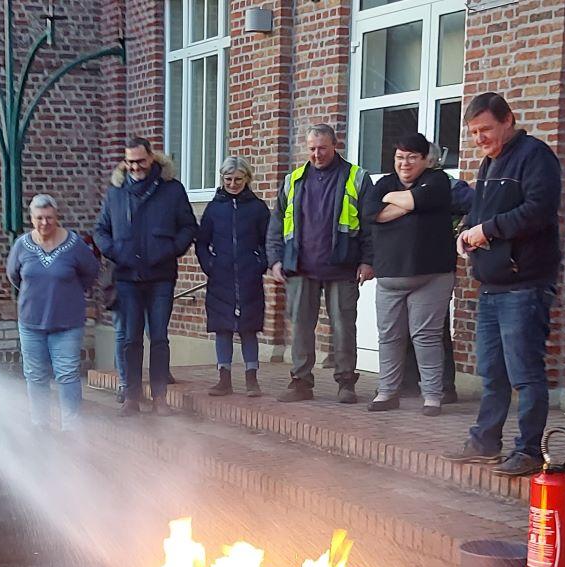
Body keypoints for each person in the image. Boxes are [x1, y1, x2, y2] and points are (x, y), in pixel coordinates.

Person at [444, 92, 563, 476]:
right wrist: (466, 232)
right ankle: (485, 442)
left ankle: (528, 450)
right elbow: (479, 212)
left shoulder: (535, 156)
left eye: (486, 130)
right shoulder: (489, 163)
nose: (480, 138)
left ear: (508, 119)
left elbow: (539, 212)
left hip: (525, 285)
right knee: (491, 371)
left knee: (526, 373)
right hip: (492, 285)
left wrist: (487, 230)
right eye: (474, 132)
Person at [268, 124, 373, 404]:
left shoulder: (356, 177)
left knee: (343, 326)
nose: (317, 154)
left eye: (322, 148)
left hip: (343, 266)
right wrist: (276, 259)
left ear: (334, 145)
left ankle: (346, 383)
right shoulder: (293, 180)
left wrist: (367, 260)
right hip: (300, 266)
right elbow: (276, 224)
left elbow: (371, 225)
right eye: (312, 148)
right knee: (301, 326)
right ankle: (300, 381)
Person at [94, 136, 196, 416]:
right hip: (127, 277)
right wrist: (115, 251)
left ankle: (160, 397)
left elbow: (188, 226)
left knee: (160, 338)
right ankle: (132, 397)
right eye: (130, 162)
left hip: (161, 275)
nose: (136, 167)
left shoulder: (171, 190)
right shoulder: (116, 191)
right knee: (130, 338)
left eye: (140, 161)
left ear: (152, 158)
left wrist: (172, 249)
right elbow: (101, 230)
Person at [362, 131, 457, 415]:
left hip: (433, 274)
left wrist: (394, 200)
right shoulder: (383, 183)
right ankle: (387, 392)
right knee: (389, 337)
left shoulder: (438, 181)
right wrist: (410, 201)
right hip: (390, 276)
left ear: (426, 160)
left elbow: (419, 200)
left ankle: (432, 396)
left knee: (426, 337)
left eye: (412, 158)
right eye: (400, 158)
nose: (404, 163)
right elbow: (370, 212)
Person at [7, 194, 100, 430]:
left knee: (67, 375)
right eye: (39, 218)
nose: (44, 223)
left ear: (56, 216)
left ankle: (71, 427)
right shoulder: (22, 245)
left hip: (67, 323)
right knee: (35, 376)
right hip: (31, 323)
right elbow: (14, 275)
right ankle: (40, 426)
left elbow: (90, 272)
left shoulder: (74, 244)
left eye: (49, 217)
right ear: (32, 219)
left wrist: (69, 293)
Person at [194, 155, 269, 397]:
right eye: (228, 179)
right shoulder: (214, 209)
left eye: (238, 179)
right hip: (220, 278)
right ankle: (223, 379)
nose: (233, 184)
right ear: (222, 179)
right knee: (222, 328)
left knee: (248, 329)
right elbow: (202, 242)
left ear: (247, 179)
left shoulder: (257, 208)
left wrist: (260, 263)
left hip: (249, 278)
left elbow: (268, 240)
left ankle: (251, 379)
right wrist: (210, 265)